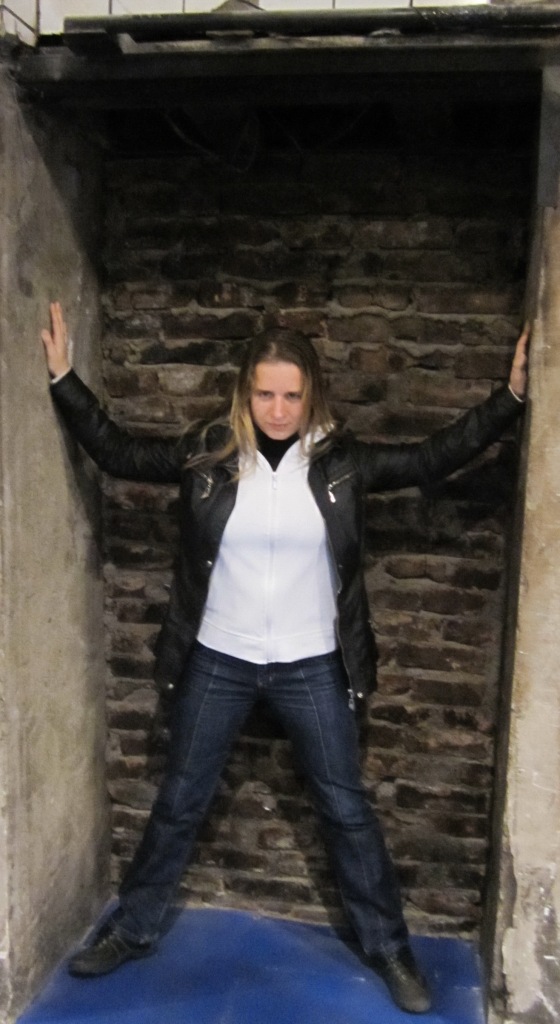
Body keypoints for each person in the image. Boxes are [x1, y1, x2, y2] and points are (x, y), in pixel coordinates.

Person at [41, 301, 528, 1013]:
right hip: (219, 657)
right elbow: (120, 453)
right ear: (245, 392)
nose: (277, 410)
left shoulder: (341, 464)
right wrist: (64, 379)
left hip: (311, 664)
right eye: (264, 394)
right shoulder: (209, 456)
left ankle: (389, 948)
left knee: (346, 808)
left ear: (311, 395)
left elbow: (431, 458)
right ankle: (133, 928)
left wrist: (510, 397)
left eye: (291, 396)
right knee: (180, 800)